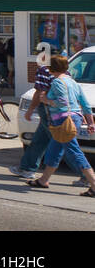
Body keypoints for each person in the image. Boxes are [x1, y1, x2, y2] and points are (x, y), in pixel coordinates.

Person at [25, 54, 95, 197]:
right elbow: (85, 104)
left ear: (52, 68)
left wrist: (46, 100)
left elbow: (62, 103)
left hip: (63, 120)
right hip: (73, 118)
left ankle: (94, 184)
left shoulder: (57, 82)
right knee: (54, 150)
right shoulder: (73, 82)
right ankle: (43, 180)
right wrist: (90, 121)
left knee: (74, 152)